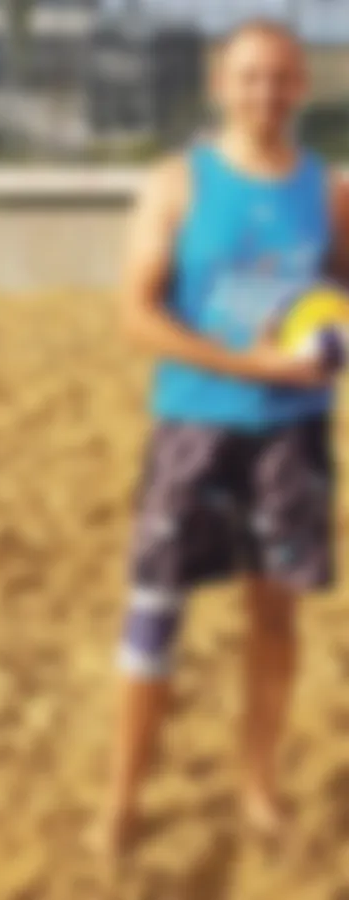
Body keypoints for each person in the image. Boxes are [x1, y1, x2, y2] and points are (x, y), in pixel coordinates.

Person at [105, 18, 347, 860]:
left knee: (273, 619)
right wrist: (248, 361)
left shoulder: (331, 195)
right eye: (251, 77)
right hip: (194, 429)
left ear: (300, 87)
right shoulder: (178, 185)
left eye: (282, 78)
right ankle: (125, 797)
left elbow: (341, 307)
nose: (266, 92)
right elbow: (139, 315)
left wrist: (320, 350)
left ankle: (256, 787)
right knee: (153, 619)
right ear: (222, 83)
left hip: (290, 443)